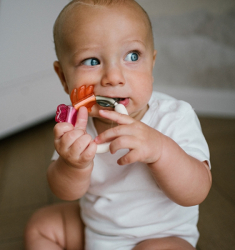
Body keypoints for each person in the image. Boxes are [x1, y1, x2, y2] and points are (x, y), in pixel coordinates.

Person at [25, 0, 212, 249]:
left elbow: (196, 192)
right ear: (64, 78)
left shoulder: (174, 116)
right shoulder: (77, 127)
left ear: (152, 64)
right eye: (92, 61)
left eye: (132, 56)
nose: (113, 77)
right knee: (42, 225)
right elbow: (65, 192)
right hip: (97, 230)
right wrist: (72, 165)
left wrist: (161, 150)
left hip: (161, 236)